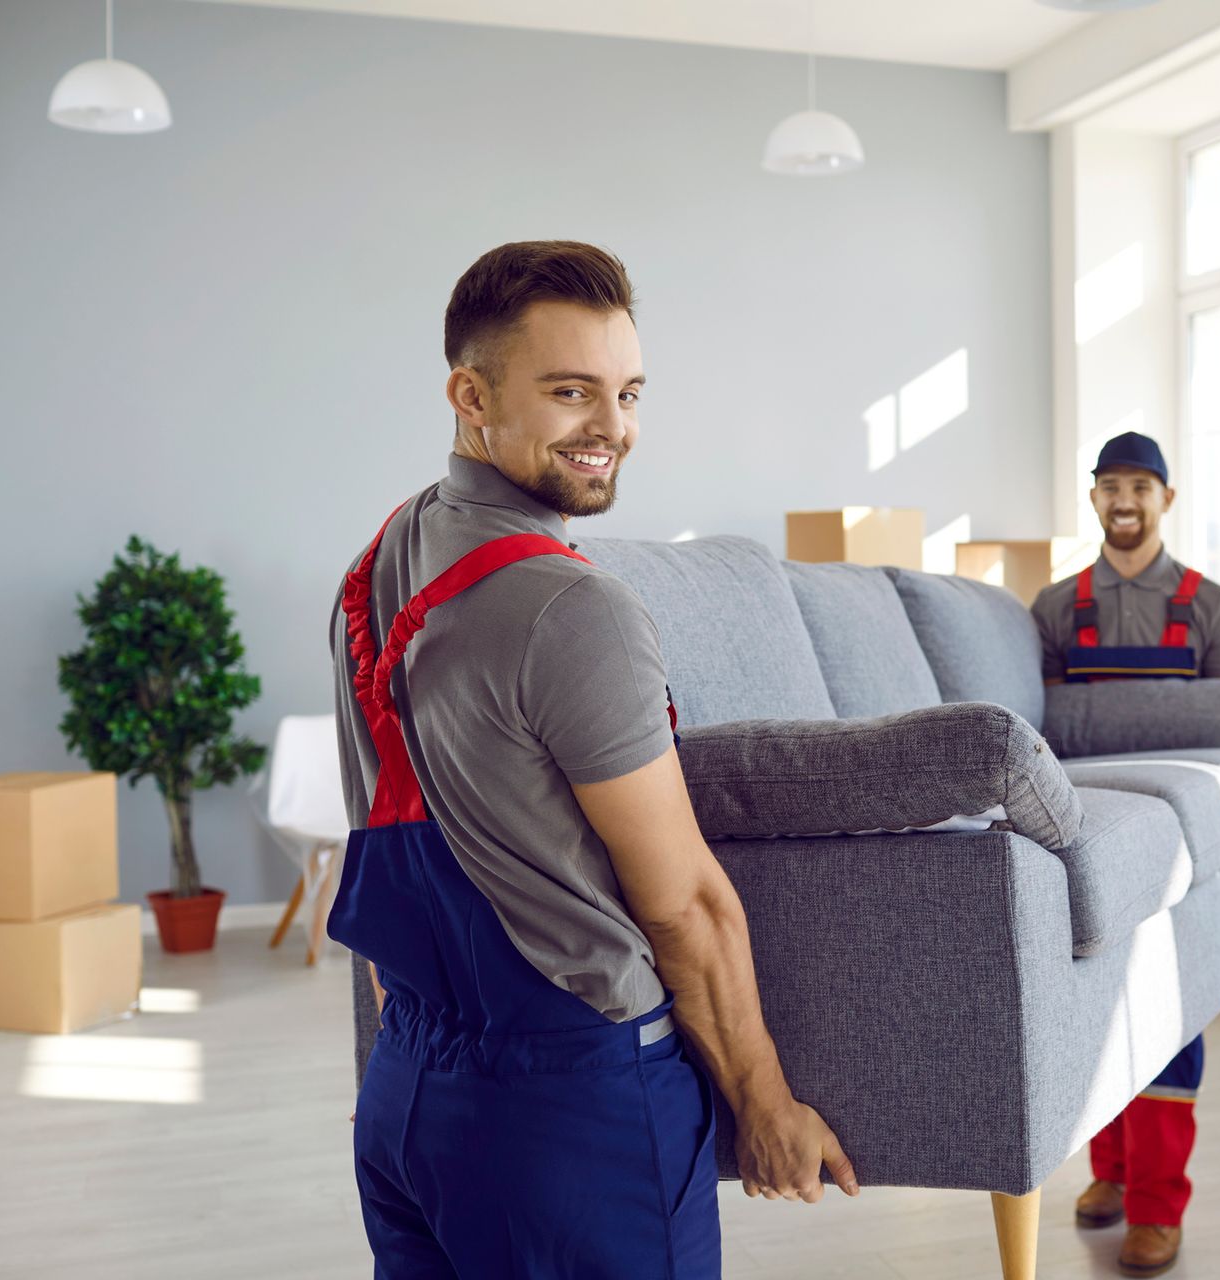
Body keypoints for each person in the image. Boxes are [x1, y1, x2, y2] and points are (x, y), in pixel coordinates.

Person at [327, 241, 857, 1280]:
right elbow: (683, 904)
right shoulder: (573, 607)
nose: (612, 428)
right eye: (571, 391)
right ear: (469, 394)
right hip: (573, 1112)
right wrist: (765, 1100)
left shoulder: (381, 556)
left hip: (405, 1098)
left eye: (628, 392)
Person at [1029, 430, 1220, 1279]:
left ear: (1166, 498)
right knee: (1094, 1011)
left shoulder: (1213, 608)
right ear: (1093, 499)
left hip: (1178, 840)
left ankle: (1159, 1208)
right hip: (1083, 834)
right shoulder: (1053, 609)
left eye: (1140, 486)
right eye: (1109, 486)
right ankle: (1111, 1175)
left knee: (1168, 1019)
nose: (1125, 500)